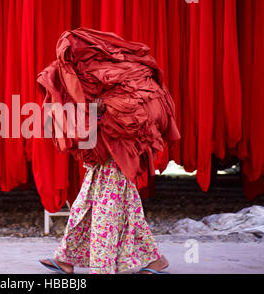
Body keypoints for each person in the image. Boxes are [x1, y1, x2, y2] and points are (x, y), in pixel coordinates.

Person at [39, 98, 169, 274]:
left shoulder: (125, 89)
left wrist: (101, 113)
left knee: (105, 214)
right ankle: (65, 259)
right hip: (101, 162)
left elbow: (128, 120)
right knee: (84, 209)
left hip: (117, 161)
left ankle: (102, 268)